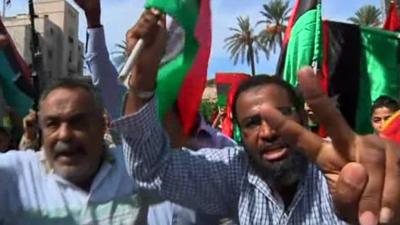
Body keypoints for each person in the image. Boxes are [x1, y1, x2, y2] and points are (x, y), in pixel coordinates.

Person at [115, 11, 400, 225]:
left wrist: (386, 184)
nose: (268, 131)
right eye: (252, 123)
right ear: (239, 133)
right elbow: (151, 169)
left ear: (302, 118)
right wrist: (142, 79)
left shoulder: (343, 167)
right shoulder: (234, 172)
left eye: (281, 115)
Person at [75, 1, 236, 224]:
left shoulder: (223, 149)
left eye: (176, 62)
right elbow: (104, 78)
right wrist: (93, 19)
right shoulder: (133, 124)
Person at [0, 78, 142, 224]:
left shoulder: (132, 168)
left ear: (102, 126)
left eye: (78, 123)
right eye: (52, 124)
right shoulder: (16, 175)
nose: (64, 135)